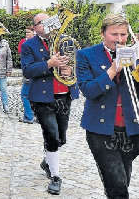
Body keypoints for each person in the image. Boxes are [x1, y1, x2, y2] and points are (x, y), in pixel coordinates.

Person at [77, 13, 139, 199]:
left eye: (123, 34)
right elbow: (88, 90)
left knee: (122, 178)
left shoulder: (134, 55)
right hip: (101, 130)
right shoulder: (86, 55)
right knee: (118, 186)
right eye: (114, 34)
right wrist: (112, 70)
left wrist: (135, 67)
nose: (119, 39)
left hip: (132, 129)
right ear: (103, 33)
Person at [21, 12, 79, 195]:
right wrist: (49, 63)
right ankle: (55, 176)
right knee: (52, 135)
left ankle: (48, 160)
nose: (47, 25)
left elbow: (77, 64)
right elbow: (27, 71)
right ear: (35, 27)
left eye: (49, 21)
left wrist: (70, 69)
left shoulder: (65, 41)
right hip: (42, 98)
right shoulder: (29, 45)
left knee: (61, 138)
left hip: (64, 95)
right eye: (42, 22)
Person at [18, 26, 36, 124]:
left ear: (34, 33)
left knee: (25, 95)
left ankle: (29, 116)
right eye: (26, 33)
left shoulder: (30, 44)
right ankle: (29, 115)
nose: (26, 35)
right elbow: (19, 51)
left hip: (30, 73)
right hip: (32, 73)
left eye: (28, 33)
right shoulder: (29, 43)